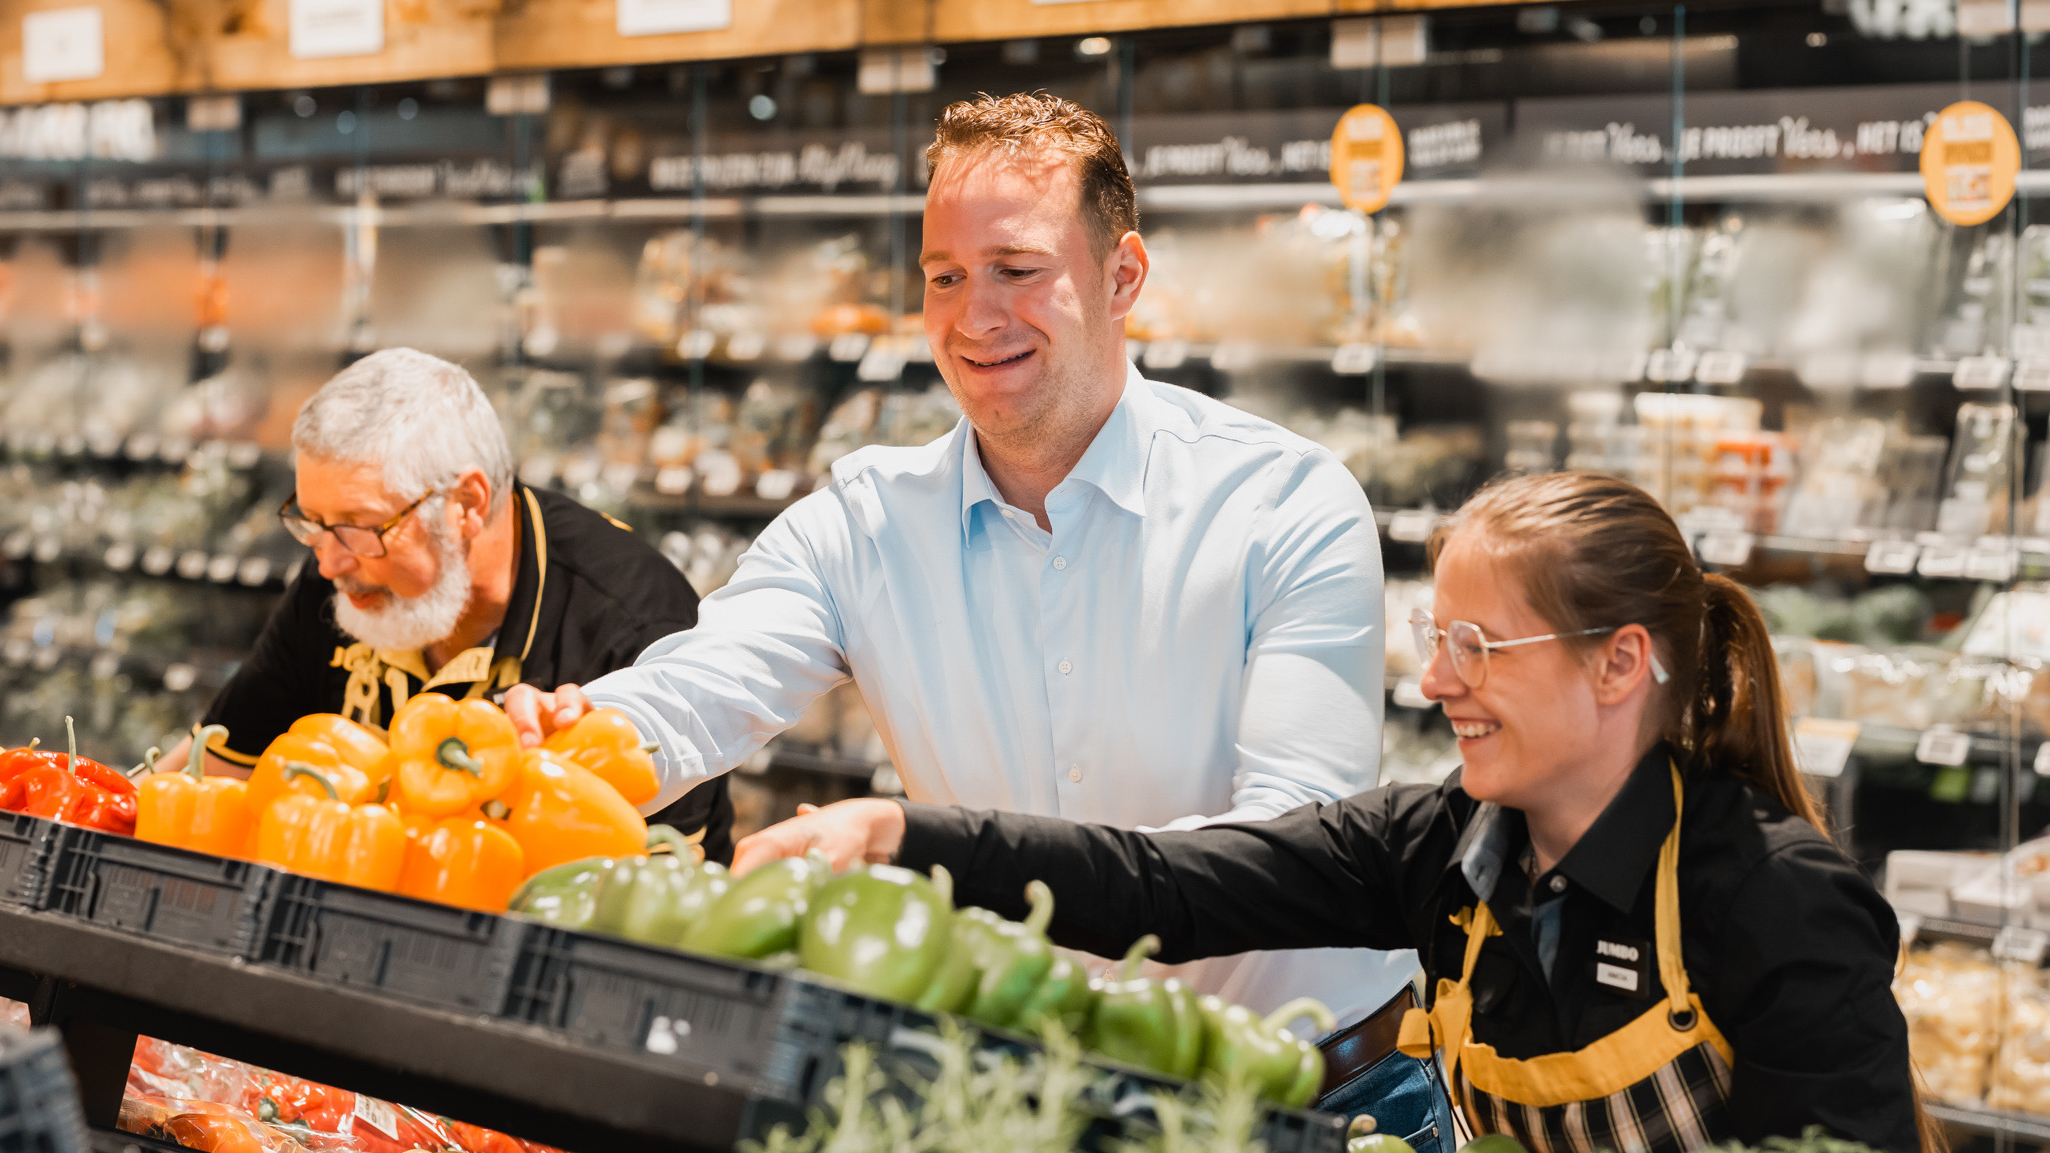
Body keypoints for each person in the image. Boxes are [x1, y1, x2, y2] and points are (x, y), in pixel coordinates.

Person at [504, 93, 1445, 1146]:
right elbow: (702, 683)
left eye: (1016, 269)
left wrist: (919, 841)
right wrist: (564, 738)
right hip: (1012, 1102)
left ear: (1121, 275)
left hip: (1311, 1099)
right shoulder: (863, 521)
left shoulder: (1285, 501)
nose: (973, 316)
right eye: (944, 277)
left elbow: (1289, 847)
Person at [735, 471, 1928, 1153]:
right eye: (1434, 639)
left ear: (1617, 665)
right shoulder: (1445, 851)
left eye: (1476, 646)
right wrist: (897, 833)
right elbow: (1171, 884)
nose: (1434, 682)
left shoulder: (1770, 900)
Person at [160, 348, 734, 861]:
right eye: (312, 523)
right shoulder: (346, 572)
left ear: (467, 504)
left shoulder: (632, 623)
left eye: (361, 527)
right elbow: (213, 766)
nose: (327, 563)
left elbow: (650, 890)